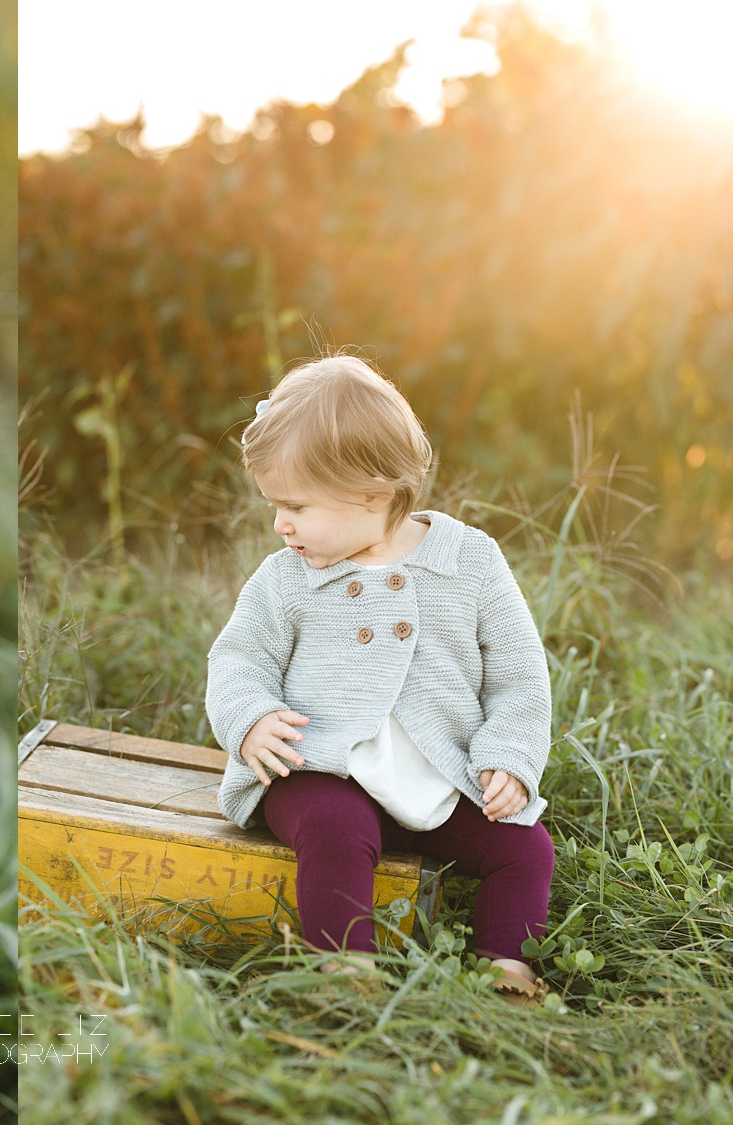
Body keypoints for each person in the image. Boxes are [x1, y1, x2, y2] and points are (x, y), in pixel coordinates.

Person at [204, 354, 556, 1007]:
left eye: (296, 506)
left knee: (527, 848)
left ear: (372, 491)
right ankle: (344, 970)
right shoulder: (286, 578)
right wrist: (250, 717)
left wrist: (510, 756)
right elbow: (238, 657)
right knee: (337, 831)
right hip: (319, 768)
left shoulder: (469, 562)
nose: (280, 524)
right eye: (276, 506)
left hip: (444, 778)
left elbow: (519, 674)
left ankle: (502, 959)